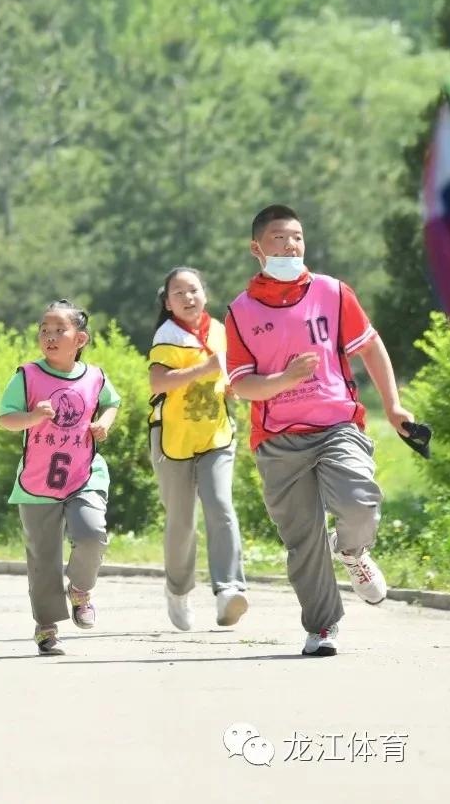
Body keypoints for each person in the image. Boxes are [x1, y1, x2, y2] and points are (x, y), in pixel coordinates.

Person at [226, 205, 412, 657]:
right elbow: (240, 385)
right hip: (277, 440)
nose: (290, 246)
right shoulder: (241, 311)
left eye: (297, 238)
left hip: (337, 424)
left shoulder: (332, 292)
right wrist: (283, 381)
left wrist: (393, 406)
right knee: (303, 542)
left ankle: (352, 551)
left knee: (359, 501)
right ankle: (322, 627)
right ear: (257, 249)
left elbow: (370, 346)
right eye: (278, 239)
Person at [0, 300, 120, 656]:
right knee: (43, 559)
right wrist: (32, 416)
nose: (49, 337)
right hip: (37, 483)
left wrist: (103, 424)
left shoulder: (94, 376)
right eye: (44, 330)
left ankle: (81, 590)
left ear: (80, 338)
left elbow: (112, 402)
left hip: (84, 474)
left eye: (59, 331)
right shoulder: (27, 375)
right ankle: (47, 627)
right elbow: (5, 418)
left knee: (92, 533)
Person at [147, 267, 248, 631]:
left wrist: (231, 385)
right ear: (168, 302)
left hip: (216, 436)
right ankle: (178, 590)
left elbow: (229, 375)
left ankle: (229, 589)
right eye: (179, 293)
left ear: (204, 292)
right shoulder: (168, 334)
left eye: (194, 290)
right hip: (172, 439)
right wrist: (203, 369)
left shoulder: (221, 330)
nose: (188, 298)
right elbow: (157, 382)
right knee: (182, 521)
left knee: (220, 506)